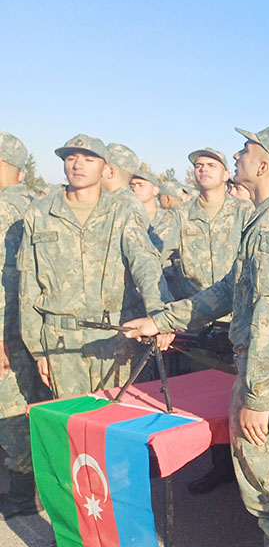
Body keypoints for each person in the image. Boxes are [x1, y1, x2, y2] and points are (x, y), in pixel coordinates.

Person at [124, 124, 269, 547]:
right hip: (263, 371)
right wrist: (162, 319)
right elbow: (227, 292)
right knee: (264, 481)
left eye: (246, 150)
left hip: (267, 376)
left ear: (267, 163)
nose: (237, 155)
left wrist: (256, 395)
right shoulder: (264, 222)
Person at [18, 134, 171, 398]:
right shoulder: (41, 212)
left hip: (117, 339)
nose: (78, 164)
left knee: (121, 423)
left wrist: (160, 314)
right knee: (71, 425)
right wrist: (37, 349)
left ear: (105, 168)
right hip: (62, 344)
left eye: (89, 159)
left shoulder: (121, 210)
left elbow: (145, 262)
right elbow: (28, 283)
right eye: (71, 158)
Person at [169, 147, 255, 495]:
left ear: (225, 174)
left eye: (211, 165)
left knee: (242, 397)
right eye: (198, 166)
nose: (203, 170)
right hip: (196, 321)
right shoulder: (180, 215)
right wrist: (167, 309)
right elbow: (155, 260)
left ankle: (248, 469)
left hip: (235, 320)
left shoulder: (245, 213)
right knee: (205, 400)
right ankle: (219, 466)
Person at [0, 132, 48, 519]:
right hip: (34, 326)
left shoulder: (4, 207)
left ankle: (20, 495)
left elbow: (7, 280)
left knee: (12, 406)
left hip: (7, 326)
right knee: (34, 402)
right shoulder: (37, 204)